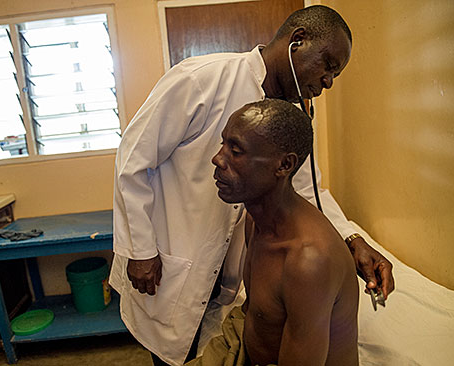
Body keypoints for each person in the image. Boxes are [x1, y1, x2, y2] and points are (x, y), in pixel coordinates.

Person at [109, 5, 392, 366]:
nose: (328, 81)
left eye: (334, 73)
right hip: (166, 262)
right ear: (297, 41)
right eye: (328, 65)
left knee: (205, 349)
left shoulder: (291, 117)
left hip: (223, 279)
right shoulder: (202, 79)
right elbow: (133, 160)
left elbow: (305, 191)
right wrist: (139, 249)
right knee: (168, 355)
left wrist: (351, 239)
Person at [187, 98, 359, 366]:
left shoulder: (308, 262)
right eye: (223, 143)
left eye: (236, 150)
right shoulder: (255, 221)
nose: (218, 158)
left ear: (284, 165)